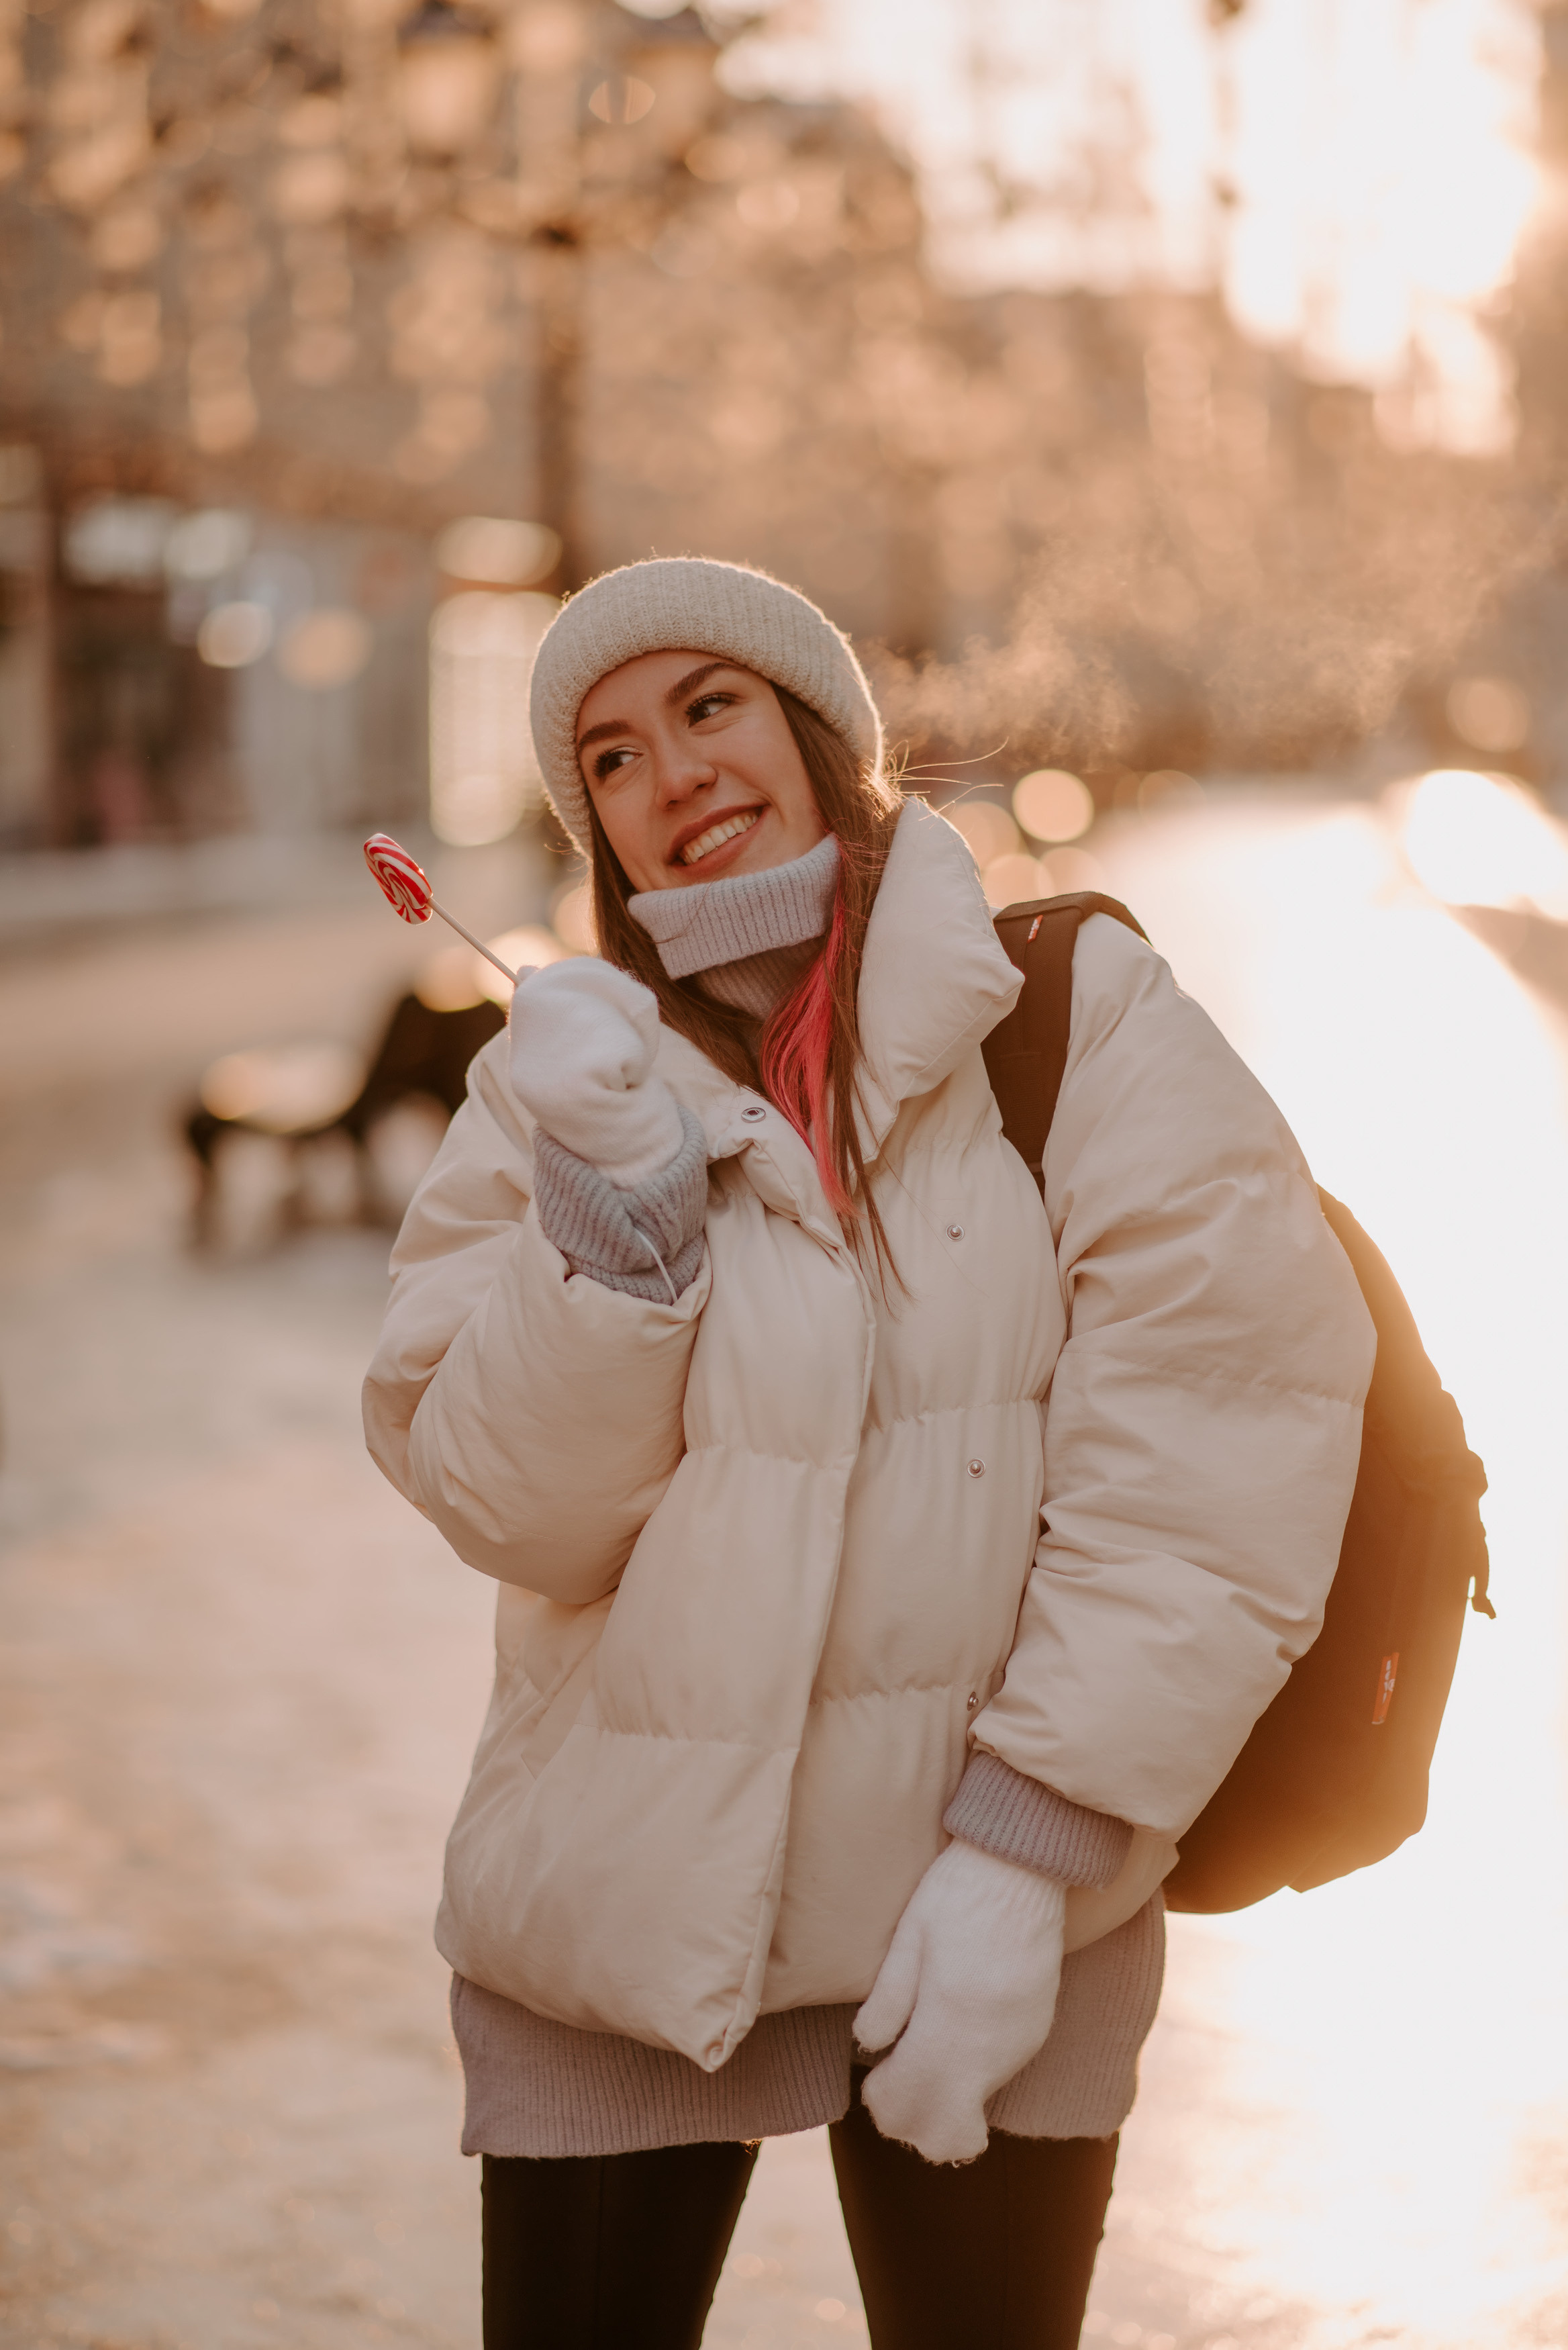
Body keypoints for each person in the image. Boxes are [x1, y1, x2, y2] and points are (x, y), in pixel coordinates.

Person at [363, 558, 1374, 2349]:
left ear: (821, 733)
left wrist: (1029, 1852)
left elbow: (1217, 1444)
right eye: (610, 756)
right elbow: (511, 1509)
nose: (671, 773)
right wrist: (614, 1225)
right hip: (625, 1906)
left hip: (987, 1926)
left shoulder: (1068, 1012)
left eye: (710, 707)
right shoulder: (559, 1085)